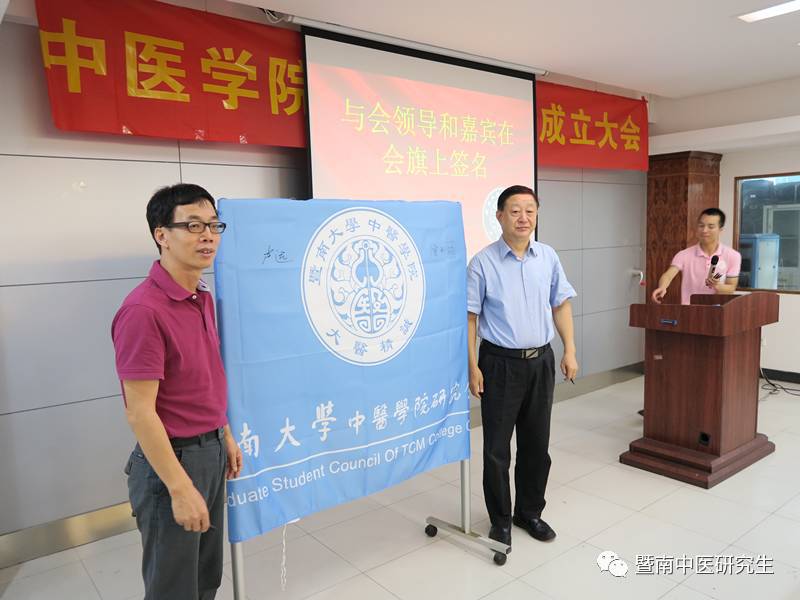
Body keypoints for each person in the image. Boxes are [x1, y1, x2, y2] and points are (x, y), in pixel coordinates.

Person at [112, 184, 242, 600]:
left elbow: (202, 376)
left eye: (213, 225)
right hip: (172, 462)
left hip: (210, 452)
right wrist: (180, 488)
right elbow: (140, 412)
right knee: (174, 589)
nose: (208, 236)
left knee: (205, 579)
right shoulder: (143, 311)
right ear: (161, 235)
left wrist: (224, 432)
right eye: (193, 225)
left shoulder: (200, 296)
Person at [467, 184, 578, 549]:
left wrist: (569, 350)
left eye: (530, 210)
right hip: (499, 364)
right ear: (500, 216)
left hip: (541, 362)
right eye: (515, 211)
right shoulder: (482, 262)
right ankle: (500, 520)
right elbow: (470, 318)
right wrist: (472, 366)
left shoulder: (547, 256)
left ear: (537, 215)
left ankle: (529, 513)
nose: (523, 218)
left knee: (536, 445)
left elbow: (560, 304)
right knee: (497, 449)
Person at [651, 207, 741, 305]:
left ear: (720, 230)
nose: (704, 230)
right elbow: (668, 276)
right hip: (690, 310)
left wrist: (717, 285)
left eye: (711, 227)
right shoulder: (683, 255)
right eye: (701, 226)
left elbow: (731, 288)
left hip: (718, 310)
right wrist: (662, 287)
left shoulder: (733, 256)